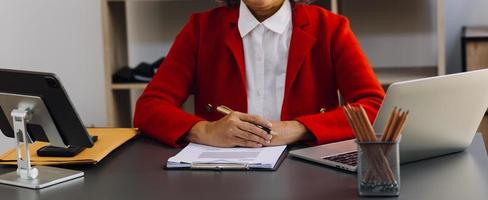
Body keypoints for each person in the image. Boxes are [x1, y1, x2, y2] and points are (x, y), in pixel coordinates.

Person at [134, 0, 385, 148]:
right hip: (221, 174)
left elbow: (375, 106)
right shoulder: (200, 29)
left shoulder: (331, 28)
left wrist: (299, 128)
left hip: (309, 166)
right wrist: (206, 131)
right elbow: (149, 108)